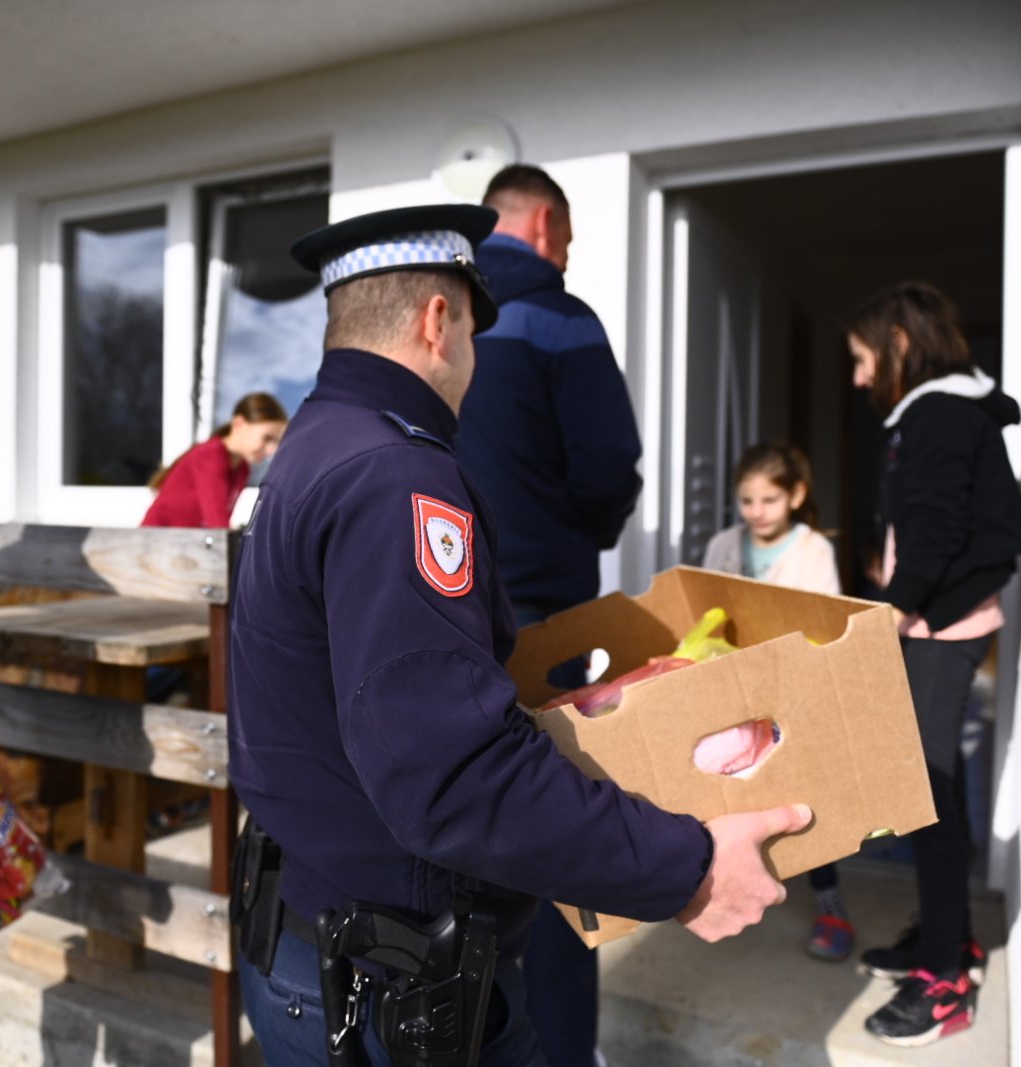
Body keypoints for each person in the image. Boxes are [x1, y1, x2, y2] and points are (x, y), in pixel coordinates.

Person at [228, 202, 812, 1066]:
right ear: (439, 321)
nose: (474, 363)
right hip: (390, 985)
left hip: (309, 943)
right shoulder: (398, 475)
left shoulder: (311, 445)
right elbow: (453, 775)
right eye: (475, 332)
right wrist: (687, 865)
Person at [455, 163, 644, 1066]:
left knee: (470, 820)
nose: (566, 255)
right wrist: (580, 533)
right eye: (564, 236)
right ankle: (564, 1049)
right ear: (539, 223)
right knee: (564, 829)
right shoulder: (561, 318)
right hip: (544, 607)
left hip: (447, 611)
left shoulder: (442, 318)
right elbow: (609, 462)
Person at [844, 281, 1021, 1047]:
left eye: (860, 359)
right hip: (933, 619)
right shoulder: (931, 413)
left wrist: (897, 606)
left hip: (940, 625)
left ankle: (946, 975)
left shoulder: (940, 413)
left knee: (930, 787)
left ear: (896, 344)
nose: (857, 378)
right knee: (921, 783)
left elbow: (938, 523)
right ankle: (942, 933)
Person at [702, 442, 856, 962]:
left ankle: (829, 898)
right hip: (731, 695)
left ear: (796, 495)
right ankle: (723, 889)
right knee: (727, 792)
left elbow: (820, 627)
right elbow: (708, 614)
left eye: (769, 500)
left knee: (800, 796)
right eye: (747, 500)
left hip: (790, 696)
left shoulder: (813, 551)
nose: (756, 512)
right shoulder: (725, 544)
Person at [140, 392, 287, 528]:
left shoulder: (242, 468)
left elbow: (220, 521)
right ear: (239, 424)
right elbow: (217, 523)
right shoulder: (211, 455)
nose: (271, 450)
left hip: (184, 543)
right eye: (267, 438)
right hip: (155, 541)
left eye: (277, 442)